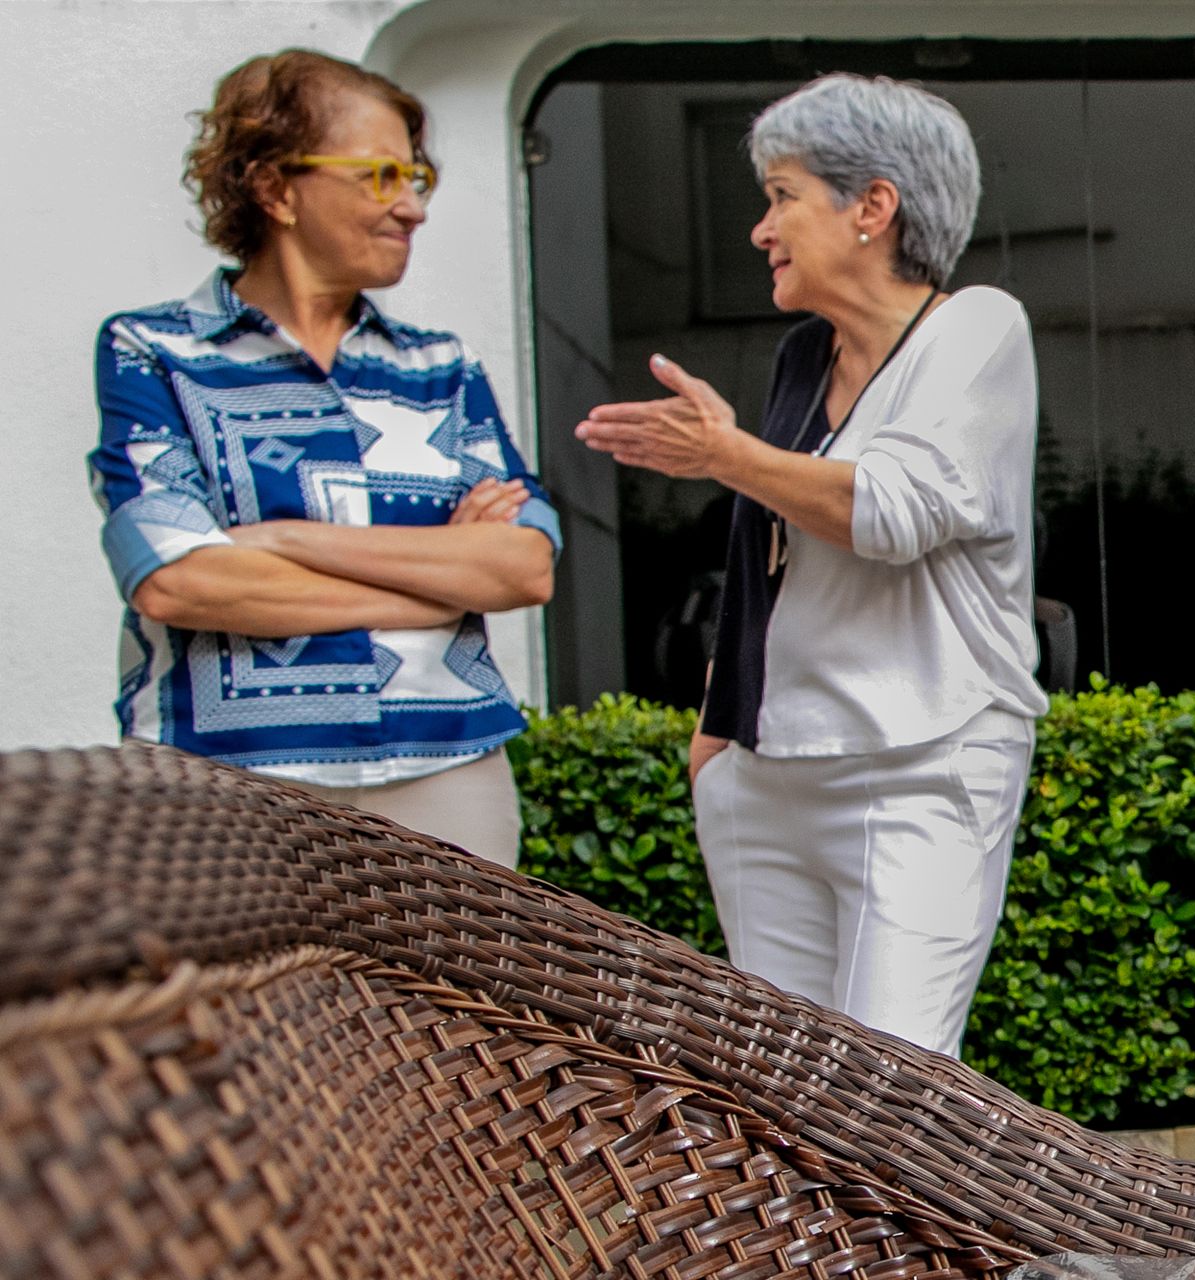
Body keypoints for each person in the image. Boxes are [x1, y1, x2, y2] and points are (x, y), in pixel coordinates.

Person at [574, 73, 1046, 1057]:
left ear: (873, 206)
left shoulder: (977, 327)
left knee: (891, 1089)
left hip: (921, 762)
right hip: (765, 772)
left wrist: (724, 452)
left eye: (782, 194)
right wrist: (717, 737)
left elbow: (895, 511)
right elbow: (771, 558)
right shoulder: (801, 357)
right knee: (777, 1089)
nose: (760, 227)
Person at [87, 50, 561, 868]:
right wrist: (428, 589)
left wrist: (279, 540)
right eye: (381, 175)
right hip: (222, 778)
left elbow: (523, 567)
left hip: (446, 766)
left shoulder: (442, 367)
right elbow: (175, 579)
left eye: (418, 179)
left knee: (454, 1003)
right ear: (275, 188)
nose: (410, 206)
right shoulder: (152, 352)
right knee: (233, 1004)